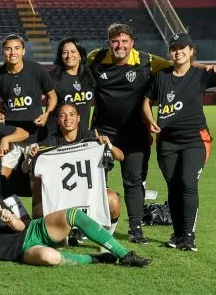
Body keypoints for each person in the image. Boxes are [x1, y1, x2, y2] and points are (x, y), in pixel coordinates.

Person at [86, 22, 206, 244]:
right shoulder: (95, 58)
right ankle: (88, 226)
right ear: (108, 42)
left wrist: (204, 67)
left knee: (133, 181)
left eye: (124, 41)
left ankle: (136, 230)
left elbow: (177, 65)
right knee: (94, 180)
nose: (119, 45)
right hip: (103, 132)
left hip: (135, 133)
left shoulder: (146, 61)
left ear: (132, 43)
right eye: (115, 41)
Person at [143, 36, 216, 251]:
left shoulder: (200, 75)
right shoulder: (160, 77)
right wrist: (150, 119)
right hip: (167, 142)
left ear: (191, 51)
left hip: (194, 140)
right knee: (174, 188)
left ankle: (188, 236)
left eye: (182, 49)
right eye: (174, 49)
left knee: (188, 183)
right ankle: (177, 234)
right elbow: (146, 101)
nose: (178, 52)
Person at [0, 175, 151, 267]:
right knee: (49, 257)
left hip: (33, 230)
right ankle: (94, 259)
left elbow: (21, 226)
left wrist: (11, 219)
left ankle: (125, 255)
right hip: (22, 251)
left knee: (74, 214)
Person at [26, 103, 123, 244]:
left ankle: (108, 237)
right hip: (63, 196)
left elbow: (120, 156)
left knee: (113, 201)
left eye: (72, 114)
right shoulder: (50, 143)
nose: (67, 119)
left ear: (78, 118)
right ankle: (57, 233)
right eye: (62, 115)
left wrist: (109, 145)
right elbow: (26, 169)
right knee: (38, 206)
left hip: (90, 194)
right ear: (58, 120)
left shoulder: (92, 138)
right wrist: (29, 156)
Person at [0, 33, 57, 142]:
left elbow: (52, 96)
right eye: (8, 49)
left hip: (37, 132)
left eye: (17, 48)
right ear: (3, 52)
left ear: (23, 51)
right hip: (11, 133)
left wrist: (47, 114)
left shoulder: (37, 70)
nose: (13, 53)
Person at [49, 37, 95, 126]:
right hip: (59, 134)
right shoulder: (52, 77)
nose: (69, 55)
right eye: (65, 52)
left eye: (73, 52)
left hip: (83, 134)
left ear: (81, 56)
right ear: (60, 56)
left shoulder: (90, 76)